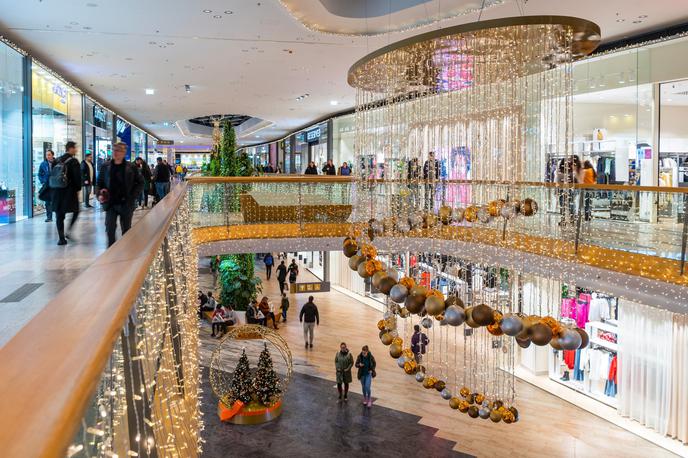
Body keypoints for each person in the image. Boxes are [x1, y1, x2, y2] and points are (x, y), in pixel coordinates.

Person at [97, 143, 144, 247]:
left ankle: (126, 252)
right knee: (110, 229)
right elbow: (99, 183)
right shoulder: (106, 166)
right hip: (110, 204)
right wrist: (99, 194)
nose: (115, 152)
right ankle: (111, 252)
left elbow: (140, 182)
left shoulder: (131, 167)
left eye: (118, 150)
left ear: (124, 152)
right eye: (114, 150)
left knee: (126, 230)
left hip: (126, 204)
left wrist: (132, 196)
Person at [52, 141, 82, 245]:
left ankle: (61, 238)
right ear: (70, 149)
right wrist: (78, 189)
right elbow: (77, 178)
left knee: (59, 215)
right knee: (76, 211)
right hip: (69, 192)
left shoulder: (56, 160)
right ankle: (68, 231)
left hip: (57, 192)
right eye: (75, 148)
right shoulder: (74, 161)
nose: (76, 150)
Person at [38, 149, 55, 222]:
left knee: (56, 200)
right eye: (46, 155)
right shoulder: (43, 164)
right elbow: (40, 174)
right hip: (47, 185)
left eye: (49, 155)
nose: (47, 156)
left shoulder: (57, 162)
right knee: (47, 201)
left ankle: (59, 216)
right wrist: (43, 181)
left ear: (52, 155)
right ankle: (49, 217)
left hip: (55, 185)